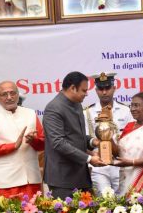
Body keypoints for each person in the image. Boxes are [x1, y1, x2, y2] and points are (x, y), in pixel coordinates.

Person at [43, 71, 106, 200]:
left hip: (80, 175)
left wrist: (93, 142)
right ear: (72, 88)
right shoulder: (53, 108)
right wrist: (89, 159)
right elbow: (58, 142)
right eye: (84, 90)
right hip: (63, 178)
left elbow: (77, 136)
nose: (86, 94)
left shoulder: (77, 104)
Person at [0, 81, 44, 198]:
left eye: (12, 93)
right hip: (4, 183)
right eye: (4, 94)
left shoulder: (30, 114)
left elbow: (43, 144)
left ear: (18, 94)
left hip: (31, 181)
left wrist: (33, 141)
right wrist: (13, 146)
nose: (9, 97)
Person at [84, 72, 132, 195]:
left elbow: (131, 138)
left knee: (124, 203)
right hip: (98, 166)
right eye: (101, 89)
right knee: (104, 204)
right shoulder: (87, 112)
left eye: (107, 88)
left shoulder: (126, 111)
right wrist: (91, 155)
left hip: (120, 164)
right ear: (96, 90)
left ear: (114, 88)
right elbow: (82, 139)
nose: (104, 92)